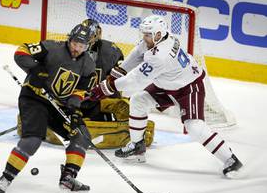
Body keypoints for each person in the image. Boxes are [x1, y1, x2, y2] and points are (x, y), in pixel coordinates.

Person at [88, 15, 243, 178]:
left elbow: (135, 81)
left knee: (194, 126)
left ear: (158, 34)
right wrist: (114, 75)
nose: (144, 38)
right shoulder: (158, 40)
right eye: (145, 34)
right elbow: (136, 54)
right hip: (168, 84)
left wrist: (106, 87)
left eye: (148, 35)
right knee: (138, 101)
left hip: (188, 87)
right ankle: (137, 145)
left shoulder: (160, 56)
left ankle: (231, 160)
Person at [0, 23, 96, 193]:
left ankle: (68, 178)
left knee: (82, 136)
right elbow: (21, 51)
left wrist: (74, 107)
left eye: (82, 46)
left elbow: (80, 90)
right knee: (32, 140)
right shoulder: (51, 48)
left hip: (58, 105)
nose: (77, 49)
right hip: (34, 98)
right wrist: (35, 69)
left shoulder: (88, 64)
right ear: (69, 39)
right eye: (75, 43)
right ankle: (6, 178)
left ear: (87, 46)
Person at [45, 19, 156, 149]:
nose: (81, 43)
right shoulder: (67, 50)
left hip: (96, 102)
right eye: (78, 40)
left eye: (88, 38)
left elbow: (118, 80)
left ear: (96, 37)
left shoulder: (110, 52)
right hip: (70, 101)